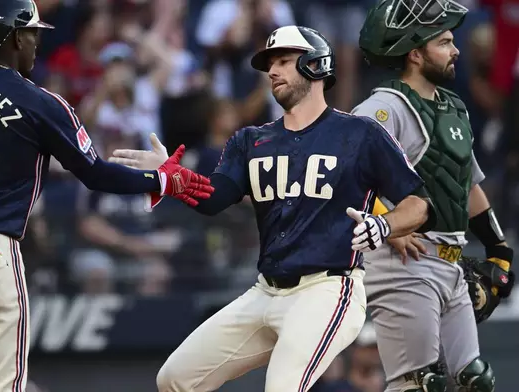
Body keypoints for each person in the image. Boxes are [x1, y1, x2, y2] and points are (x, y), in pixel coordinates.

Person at [0, 0, 213, 391]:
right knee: (1, 386)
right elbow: (96, 174)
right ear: (14, 36)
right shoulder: (38, 100)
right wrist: (160, 180)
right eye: (32, 33)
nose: (37, 42)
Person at [109, 25, 436, 392]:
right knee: (174, 379)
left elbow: (419, 204)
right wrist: (172, 178)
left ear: (316, 65)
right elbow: (216, 197)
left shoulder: (361, 134)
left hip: (327, 290)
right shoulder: (250, 140)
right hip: (265, 291)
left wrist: (384, 226)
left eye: (283, 61)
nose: (272, 71)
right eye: (269, 64)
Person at [352, 0, 515, 391]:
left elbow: (466, 182)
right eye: (443, 42)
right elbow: (346, 173)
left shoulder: (452, 107)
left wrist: (498, 249)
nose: (455, 49)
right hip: (405, 260)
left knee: (474, 380)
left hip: (451, 261)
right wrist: (387, 226)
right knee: (419, 383)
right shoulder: (383, 107)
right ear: (415, 52)